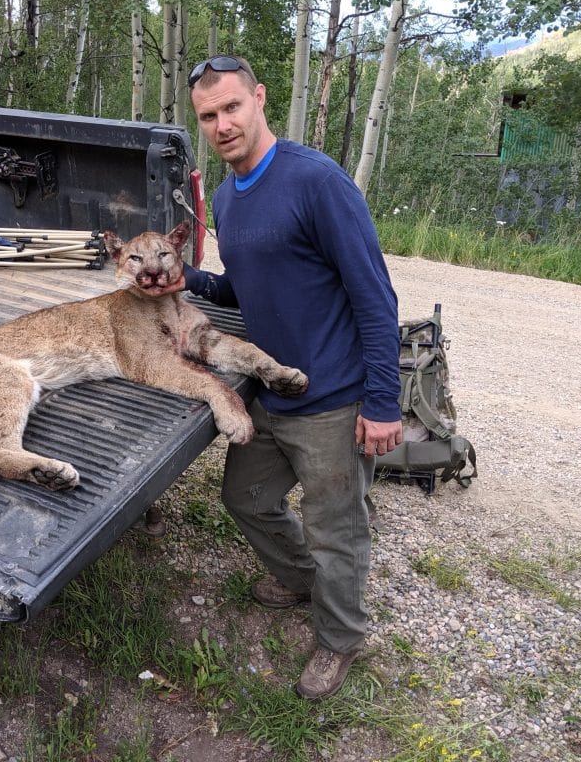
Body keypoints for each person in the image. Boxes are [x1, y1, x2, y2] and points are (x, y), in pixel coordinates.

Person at [180, 55, 404, 699]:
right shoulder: (226, 198)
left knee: (339, 532)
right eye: (208, 116)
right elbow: (243, 288)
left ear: (260, 99)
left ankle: (340, 638)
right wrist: (187, 280)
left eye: (231, 107)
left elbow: (374, 295)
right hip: (272, 393)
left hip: (333, 399)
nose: (222, 124)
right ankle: (304, 578)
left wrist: (382, 402)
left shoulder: (316, 182)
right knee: (245, 500)